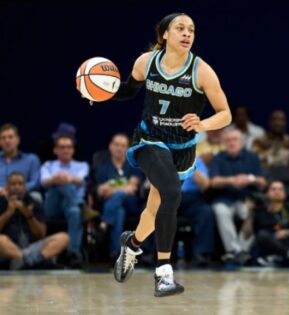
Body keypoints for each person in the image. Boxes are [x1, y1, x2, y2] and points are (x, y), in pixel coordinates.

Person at [86, 13, 231, 297]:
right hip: (150, 140)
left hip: (183, 148)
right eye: (180, 28)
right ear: (165, 34)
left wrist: (202, 124)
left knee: (154, 210)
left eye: (191, 29)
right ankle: (164, 272)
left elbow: (225, 114)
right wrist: (102, 91)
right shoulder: (146, 61)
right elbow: (128, 89)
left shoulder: (202, 71)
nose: (187, 33)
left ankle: (132, 244)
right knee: (171, 194)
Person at [210, 128, 266, 265]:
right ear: (224, 143)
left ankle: (242, 250)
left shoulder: (252, 157)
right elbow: (213, 182)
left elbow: (263, 182)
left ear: (241, 142)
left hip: (246, 200)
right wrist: (232, 180)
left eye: (234, 140)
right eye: (228, 140)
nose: (231, 143)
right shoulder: (219, 158)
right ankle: (235, 251)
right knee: (220, 211)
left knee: (252, 212)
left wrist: (249, 178)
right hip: (224, 199)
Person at [0, 172, 69, 269]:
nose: (17, 187)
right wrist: (8, 213)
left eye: (20, 184)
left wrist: (28, 215)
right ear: (6, 186)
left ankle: (29, 262)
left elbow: (41, 234)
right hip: (10, 249)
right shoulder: (1, 202)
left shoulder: (34, 202)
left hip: (32, 248)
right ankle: (27, 261)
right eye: (13, 184)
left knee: (63, 237)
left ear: (25, 186)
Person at [93, 133, 144, 260]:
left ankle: (104, 224)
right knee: (119, 211)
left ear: (127, 149)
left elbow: (132, 189)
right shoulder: (103, 168)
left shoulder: (134, 165)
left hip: (131, 203)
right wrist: (122, 188)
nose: (119, 148)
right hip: (112, 205)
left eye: (123, 146)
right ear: (110, 146)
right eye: (116, 145)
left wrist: (112, 189)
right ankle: (116, 253)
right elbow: (100, 191)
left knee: (119, 195)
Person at [40, 135, 89, 267]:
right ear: (55, 150)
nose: (65, 150)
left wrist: (69, 178)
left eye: (68, 147)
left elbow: (81, 180)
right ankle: (81, 204)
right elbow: (44, 182)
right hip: (53, 207)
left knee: (74, 212)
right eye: (62, 147)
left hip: (70, 207)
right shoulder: (48, 165)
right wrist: (56, 179)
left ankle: (73, 253)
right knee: (61, 184)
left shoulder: (82, 165)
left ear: (73, 150)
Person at [0, 123, 41, 201]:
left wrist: (15, 189)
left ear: (17, 140)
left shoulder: (31, 159)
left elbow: (36, 182)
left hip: (23, 196)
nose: (7, 141)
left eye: (10, 137)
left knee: (36, 196)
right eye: (3, 138)